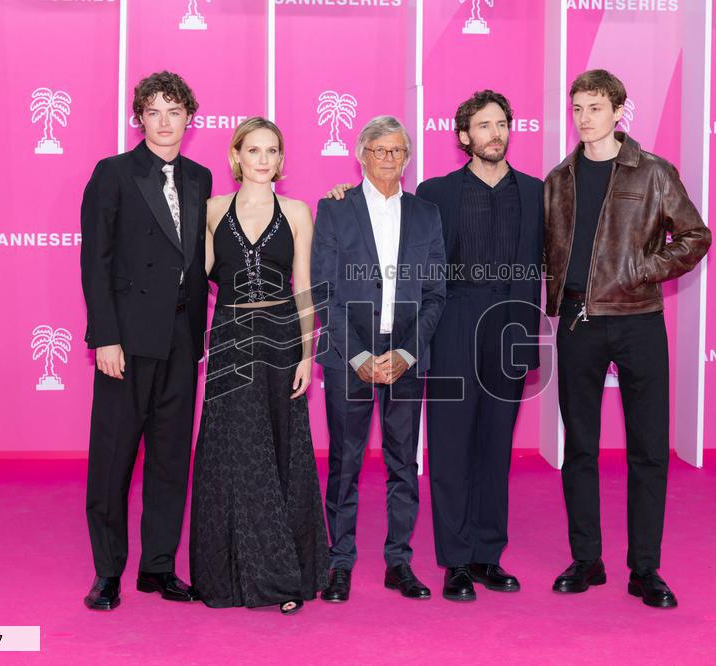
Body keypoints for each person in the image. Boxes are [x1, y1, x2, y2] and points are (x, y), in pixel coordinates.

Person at [544, 69, 711, 609]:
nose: (584, 118)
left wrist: (642, 269)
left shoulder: (654, 171)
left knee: (648, 450)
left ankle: (645, 569)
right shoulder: (559, 180)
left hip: (638, 320)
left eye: (594, 107)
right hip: (577, 324)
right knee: (581, 450)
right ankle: (587, 559)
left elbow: (695, 235)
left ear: (618, 111)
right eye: (577, 108)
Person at [80, 71, 211, 611]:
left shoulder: (201, 177)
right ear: (139, 117)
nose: (164, 122)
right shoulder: (112, 174)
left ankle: (158, 567)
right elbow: (96, 262)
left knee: (169, 459)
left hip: (183, 337)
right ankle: (108, 572)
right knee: (113, 461)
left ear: (188, 118)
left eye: (174, 111)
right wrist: (105, 336)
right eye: (153, 111)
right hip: (128, 341)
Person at [189, 117, 328, 615]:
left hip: (279, 338)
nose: (263, 159)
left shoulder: (296, 212)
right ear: (236, 157)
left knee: (280, 451)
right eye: (254, 150)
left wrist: (308, 355)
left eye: (272, 150)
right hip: (229, 336)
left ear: (282, 160)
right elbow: (197, 275)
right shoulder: (209, 210)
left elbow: (306, 288)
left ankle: (282, 576)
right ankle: (226, 577)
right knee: (232, 454)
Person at [415, 90, 544, 602]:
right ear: (464, 137)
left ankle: (488, 555)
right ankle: (455, 562)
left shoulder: (536, 192)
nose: (495, 133)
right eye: (483, 125)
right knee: (450, 443)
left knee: (496, 443)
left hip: (512, 323)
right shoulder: (435, 192)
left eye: (502, 124)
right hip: (453, 322)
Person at [311, 116, 446, 603]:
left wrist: (407, 353)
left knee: (403, 464)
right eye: (380, 150)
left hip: (406, 355)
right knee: (344, 463)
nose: (389, 159)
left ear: (407, 159)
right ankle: (340, 561)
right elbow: (324, 291)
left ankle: (398, 561)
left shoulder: (427, 214)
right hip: (350, 355)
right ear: (361, 154)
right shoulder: (334, 210)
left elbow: (435, 294)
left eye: (398, 151)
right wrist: (361, 354)